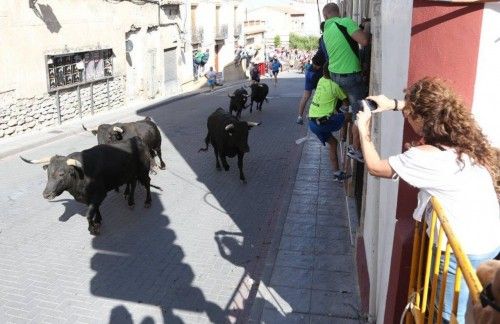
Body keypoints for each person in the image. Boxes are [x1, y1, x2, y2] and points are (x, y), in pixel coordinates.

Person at [357, 77, 500, 324]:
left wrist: (363, 129)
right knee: (473, 311)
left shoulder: (423, 157)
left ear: (421, 119)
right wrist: (393, 104)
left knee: (450, 316)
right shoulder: (461, 139)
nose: (406, 116)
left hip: (460, 251)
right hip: (489, 242)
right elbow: (428, 108)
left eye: (409, 113)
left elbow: (374, 167)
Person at [322, 3, 370, 163]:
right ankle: (356, 149)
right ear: (338, 12)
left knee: (350, 106)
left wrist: (359, 26)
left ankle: (345, 114)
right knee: (361, 113)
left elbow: (346, 42)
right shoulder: (345, 22)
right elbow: (363, 41)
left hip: (335, 76)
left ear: (325, 16)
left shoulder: (326, 31)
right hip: (350, 76)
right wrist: (366, 29)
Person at [308, 63, 350, 182]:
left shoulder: (321, 80)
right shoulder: (335, 86)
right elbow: (347, 103)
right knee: (351, 116)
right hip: (324, 121)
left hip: (312, 123)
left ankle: (337, 173)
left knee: (333, 142)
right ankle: (352, 144)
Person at [297, 22, 327, 125]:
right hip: (318, 71)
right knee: (321, 94)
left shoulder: (321, 41)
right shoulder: (327, 42)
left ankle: (300, 116)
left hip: (310, 70)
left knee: (306, 96)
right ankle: (317, 115)